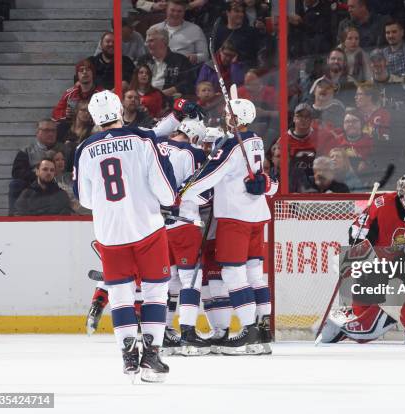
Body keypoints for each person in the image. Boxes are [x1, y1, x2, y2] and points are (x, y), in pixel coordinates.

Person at [73, 90, 183, 382]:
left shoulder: (84, 148)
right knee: (155, 292)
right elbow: (165, 190)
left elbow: (85, 199)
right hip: (147, 228)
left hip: (110, 233)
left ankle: (128, 358)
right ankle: (151, 355)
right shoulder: (143, 140)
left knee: (120, 295)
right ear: (120, 110)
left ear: (95, 118)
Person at [181, 98, 277, 355]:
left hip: (236, 218)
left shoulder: (233, 145)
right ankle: (263, 329)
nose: (225, 117)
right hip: (257, 215)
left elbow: (211, 174)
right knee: (255, 273)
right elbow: (262, 175)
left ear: (233, 118)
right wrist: (266, 184)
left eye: (227, 114)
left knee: (234, 274)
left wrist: (185, 190)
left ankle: (248, 330)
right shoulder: (256, 139)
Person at [319, 173, 405, 344]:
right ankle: (356, 317)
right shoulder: (382, 203)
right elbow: (358, 227)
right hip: (381, 259)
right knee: (367, 276)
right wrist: (359, 247)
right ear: (401, 189)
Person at [160, 117, 213, 356]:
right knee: (191, 277)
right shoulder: (193, 153)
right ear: (194, 138)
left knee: (169, 279)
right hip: (184, 222)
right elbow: (202, 196)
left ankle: (165, 332)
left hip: (159, 224)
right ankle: (188, 333)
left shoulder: (158, 144)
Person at [9, 119, 66, 215]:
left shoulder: (65, 149)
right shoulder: (27, 151)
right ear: (37, 132)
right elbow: (17, 172)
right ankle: (14, 218)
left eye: (53, 131)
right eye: (47, 130)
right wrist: (40, 176)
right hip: (34, 185)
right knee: (15, 184)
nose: (51, 134)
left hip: (61, 182)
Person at [137, 26, 196, 97]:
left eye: (151, 41)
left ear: (163, 42)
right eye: (147, 41)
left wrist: (162, 94)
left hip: (169, 99)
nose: (147, 44)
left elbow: (188, 83)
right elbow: (135, 82)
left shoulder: (181, 60)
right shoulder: (143, 60)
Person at [147, 0, 208, 65]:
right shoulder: (154, 29)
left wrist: (196, 57)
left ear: (184, 12)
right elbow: (146, 54)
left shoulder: (196, 30)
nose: (175, 14)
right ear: (166, 10)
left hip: (183, 70)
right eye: (172, 10)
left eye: (179, 11)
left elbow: (205, 56)